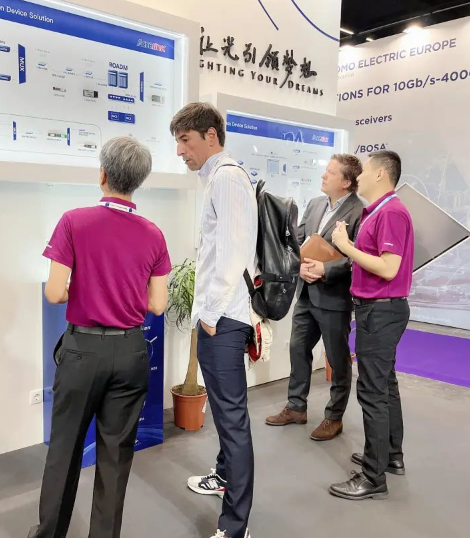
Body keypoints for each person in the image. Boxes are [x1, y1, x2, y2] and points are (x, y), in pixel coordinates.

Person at [28, 136, 171, 538]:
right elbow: (158, 304)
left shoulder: (73, 221)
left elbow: (54, 292)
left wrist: (84, 291)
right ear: (138, 181)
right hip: (131, 351)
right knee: (116, 455)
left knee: (65, 448)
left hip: (83, 351)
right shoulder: (154, 234)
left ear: (103, 175)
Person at [171, 102, 256, 538]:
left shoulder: (227, 178)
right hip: (218, 316)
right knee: (226, 414)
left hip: (223, 318)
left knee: (232, 419)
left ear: (210, 136)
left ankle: (235, 525)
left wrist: (211, 314)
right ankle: (223, 476)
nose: (180, 151)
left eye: (185, 141)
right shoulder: (217, 179)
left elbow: (234, 253)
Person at [328, 150, 414, 501]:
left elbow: (389, 268)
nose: (358, 176)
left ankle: (373, 477)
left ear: (380, 174)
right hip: (379, 311)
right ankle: (389, 456)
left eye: (364, 171)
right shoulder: (379, 212)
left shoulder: (391, 212)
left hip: (380, 312)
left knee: (373, 392)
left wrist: (345, 247)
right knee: (385, 386)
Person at [266, 155, 363, 440]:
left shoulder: (361, 212)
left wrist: (325, 269)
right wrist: (299, 266)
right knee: (298, 349)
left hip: (334, 297)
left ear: (346, 182)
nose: (323, 176)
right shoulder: (316, 204)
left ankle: (334, 417)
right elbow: (298, 240)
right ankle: (296, 407)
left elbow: (358, 258)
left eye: (330, 172)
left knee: (337, 358)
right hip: (306, 292)